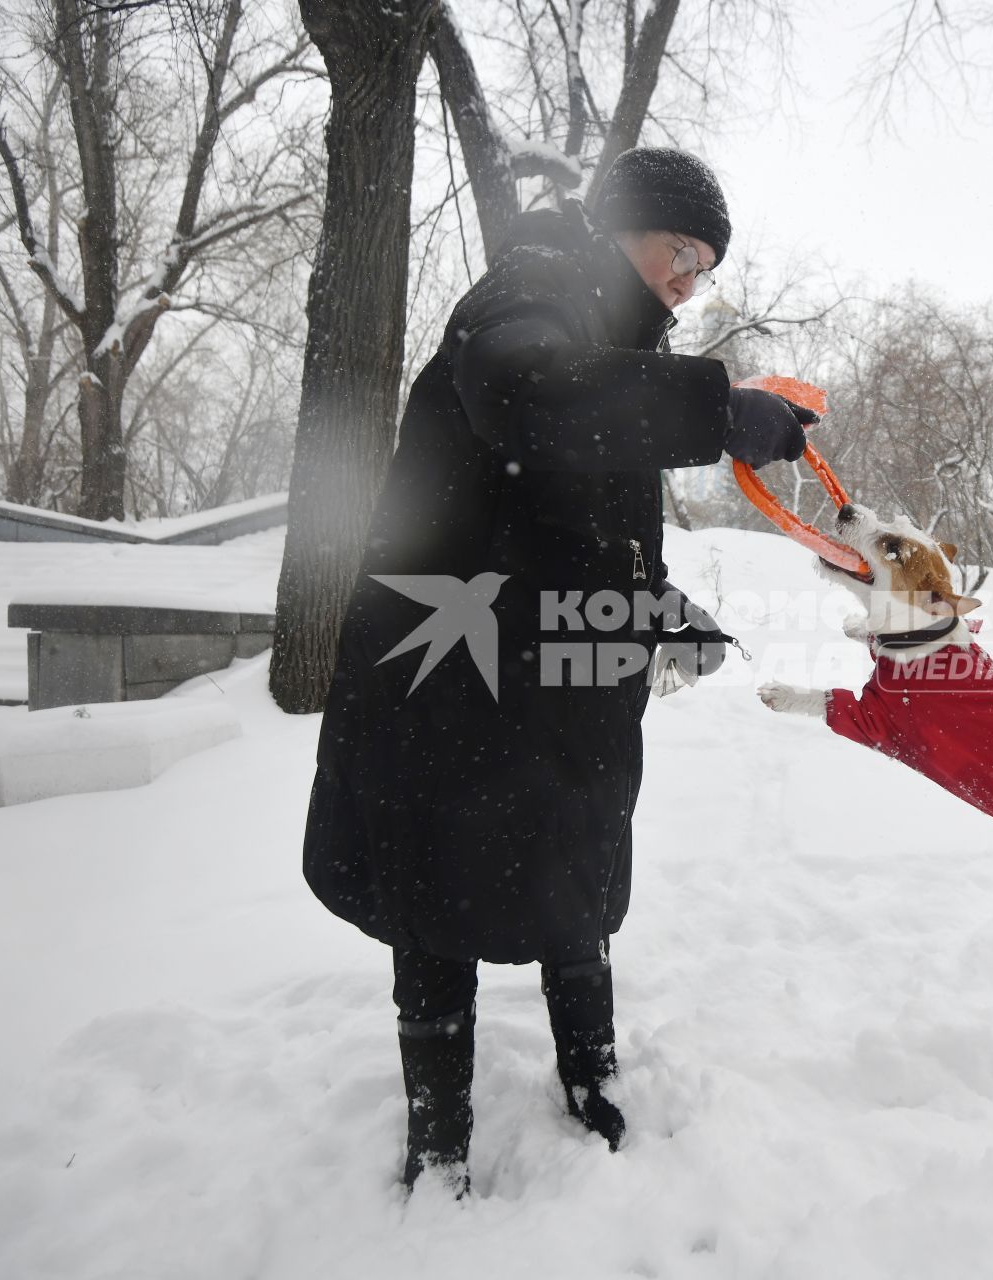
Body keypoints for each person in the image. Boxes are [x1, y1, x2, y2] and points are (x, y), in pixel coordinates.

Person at [301, 147, 816, 1196]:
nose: (687, 282)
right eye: (679, 252)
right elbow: (532, 402)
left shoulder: (616, 359)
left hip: (553, 684)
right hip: (446, 673)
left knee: (574, 875)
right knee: (435, 897)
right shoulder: (529, 295)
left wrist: (660, 609)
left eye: (704, 269)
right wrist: (719, 411)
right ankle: (438, 1141)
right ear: (619, 227)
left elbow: (593, 528)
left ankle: (592, 1074)